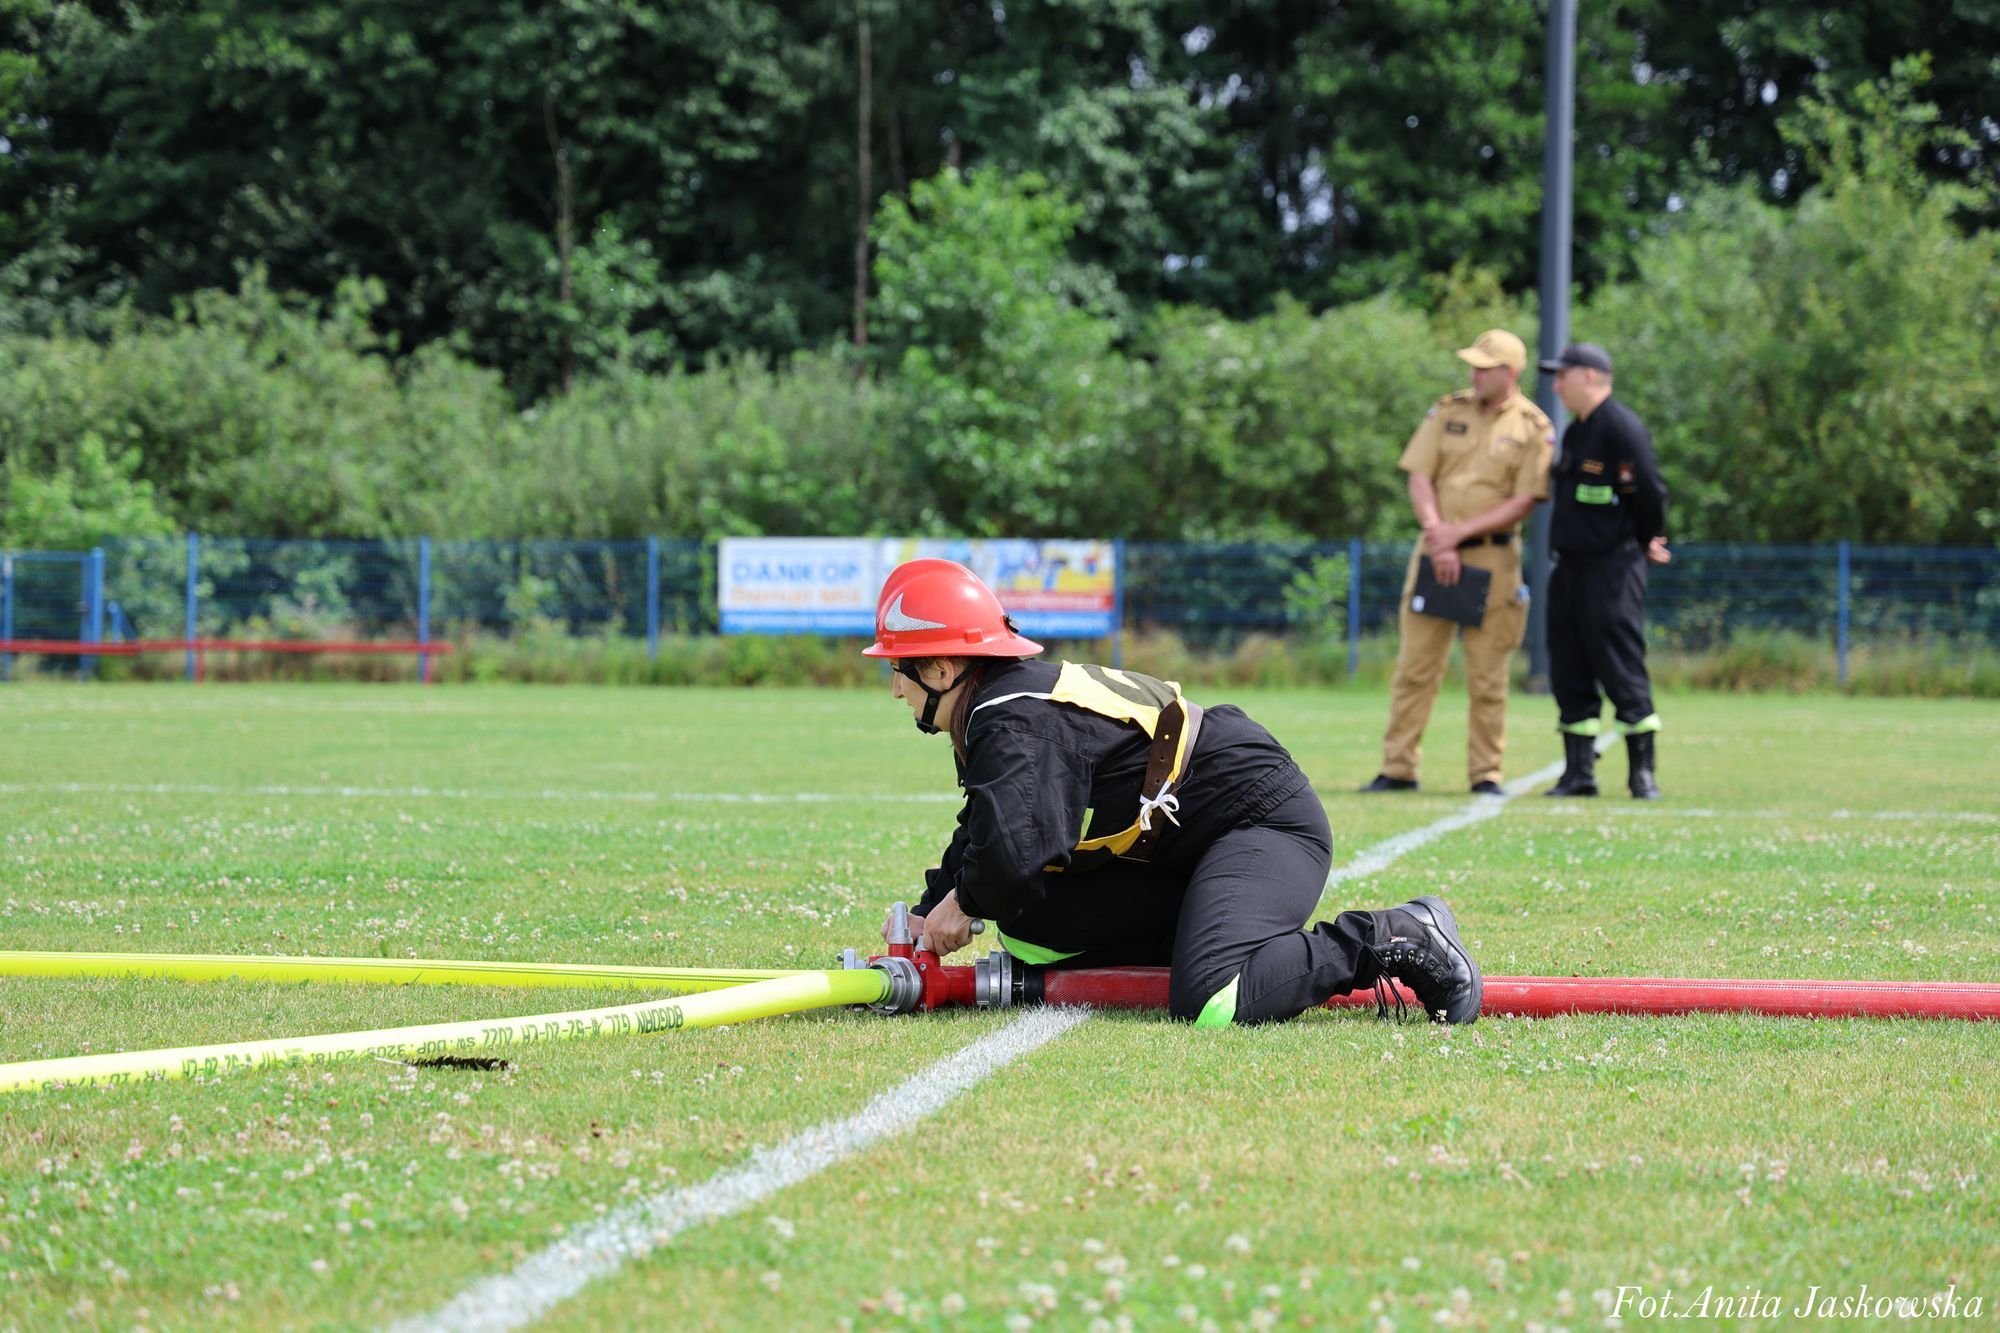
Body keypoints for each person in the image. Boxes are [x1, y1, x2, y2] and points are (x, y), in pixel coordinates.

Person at [867, 558, 1482, 1026]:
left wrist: (964, 904)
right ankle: (1205, 938)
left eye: (897, 669)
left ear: (940, 668)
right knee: (1028, 925)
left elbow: (1010, 853)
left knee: (1212, 999)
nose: (896, 691)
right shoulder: (1003, 706)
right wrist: (929, 910)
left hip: (1259, 822)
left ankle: (1397, 934)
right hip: (1185, 844)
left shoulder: (1011, 719)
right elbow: (986, 825)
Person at [1362, 329, 1554, 796]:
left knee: (1489, 676)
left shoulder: (1533, 426)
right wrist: (1438, 536)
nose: (1473, 374)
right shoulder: (1448, 410)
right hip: (1434, 553)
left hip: (1494, 558)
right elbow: (1420, 476)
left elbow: (1526, 499)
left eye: (1483, 368)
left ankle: (1486, 774)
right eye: (1472, 366)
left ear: (1510, 373)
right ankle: (1398, 768)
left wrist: (1457, 535)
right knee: (1414, 670)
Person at [1538, 343, 1670, 799]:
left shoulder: (1621, 427)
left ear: (1591, 376)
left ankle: (1642, 773)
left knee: (1620, 663)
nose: (1556, 385)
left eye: (1563, 375)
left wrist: (1644, 537)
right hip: (1570, 568)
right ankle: (1579, 773)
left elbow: (1650, 490)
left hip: (1613, 569)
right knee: (1569, 666)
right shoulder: (1576, 433)